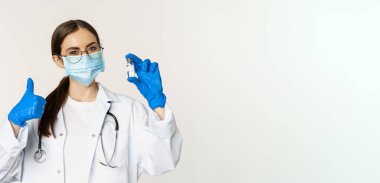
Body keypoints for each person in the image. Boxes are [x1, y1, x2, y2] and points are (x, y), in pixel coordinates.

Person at [0, 19, 182, 183]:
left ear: (100, 52)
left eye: (92, 48)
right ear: (58, 60)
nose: (85, 56)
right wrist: (14, 124)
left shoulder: (128, 110)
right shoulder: (36, 114)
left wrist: (157, 104)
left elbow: (162, 161)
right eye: (73, 52)